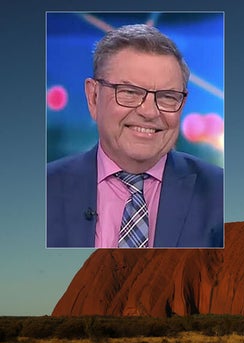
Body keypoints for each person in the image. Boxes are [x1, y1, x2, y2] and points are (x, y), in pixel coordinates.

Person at [47, 24, 223, 248]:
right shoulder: (43, 191)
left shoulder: (222, 195)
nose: (149, 112)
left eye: (168, 97)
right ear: (93, 97)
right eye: (130, 93)